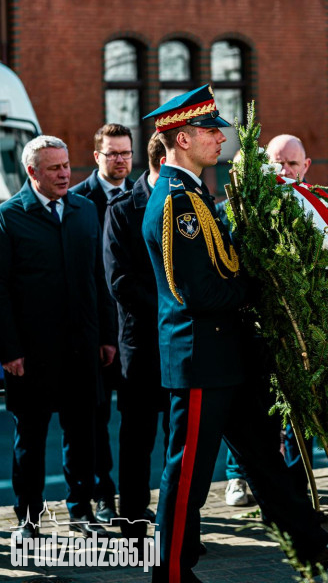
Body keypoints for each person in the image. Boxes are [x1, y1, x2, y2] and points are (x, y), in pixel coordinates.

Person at [143, 84, 328, 583]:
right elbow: (202, 291)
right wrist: (262, 285)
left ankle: (312, 548)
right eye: (210, 131)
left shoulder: (196, 193)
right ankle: (170, 573)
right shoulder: (175, 203)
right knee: (188, 472)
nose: (219, 139)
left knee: (267, 463)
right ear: (181, 138)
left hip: (229, 353)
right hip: (202, 354)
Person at [0, 135, 116, 539]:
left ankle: (81, 512)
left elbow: (97, 278)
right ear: (32, 172)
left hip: (82, 348)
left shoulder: (85, 211)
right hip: (31, 354)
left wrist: (106, 335)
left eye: (66, 165)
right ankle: (28, 521)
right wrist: (9, 349)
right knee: (29, 441)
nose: (65, 173)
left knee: (82, 436)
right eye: (54, 168)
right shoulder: (9, 216)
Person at [103, 132, 169, 540]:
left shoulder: (190, 205)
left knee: (178, 439)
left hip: (182, 342)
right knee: (138, 437)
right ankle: (131, 518)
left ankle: (179, 523)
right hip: (142, 344)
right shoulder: (124, 209)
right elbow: (120, 280)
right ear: (162, 162)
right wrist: (171, 307)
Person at [71, 123, 134, 524]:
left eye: (126, 153)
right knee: (94, 422)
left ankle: (133, 500)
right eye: (112, 153)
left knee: (136, 422)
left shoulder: (142, 196)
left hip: (133, 334)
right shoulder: (78, 201)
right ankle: (101, 496)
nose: (120, 160)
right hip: (95, 334)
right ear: (97, 157)